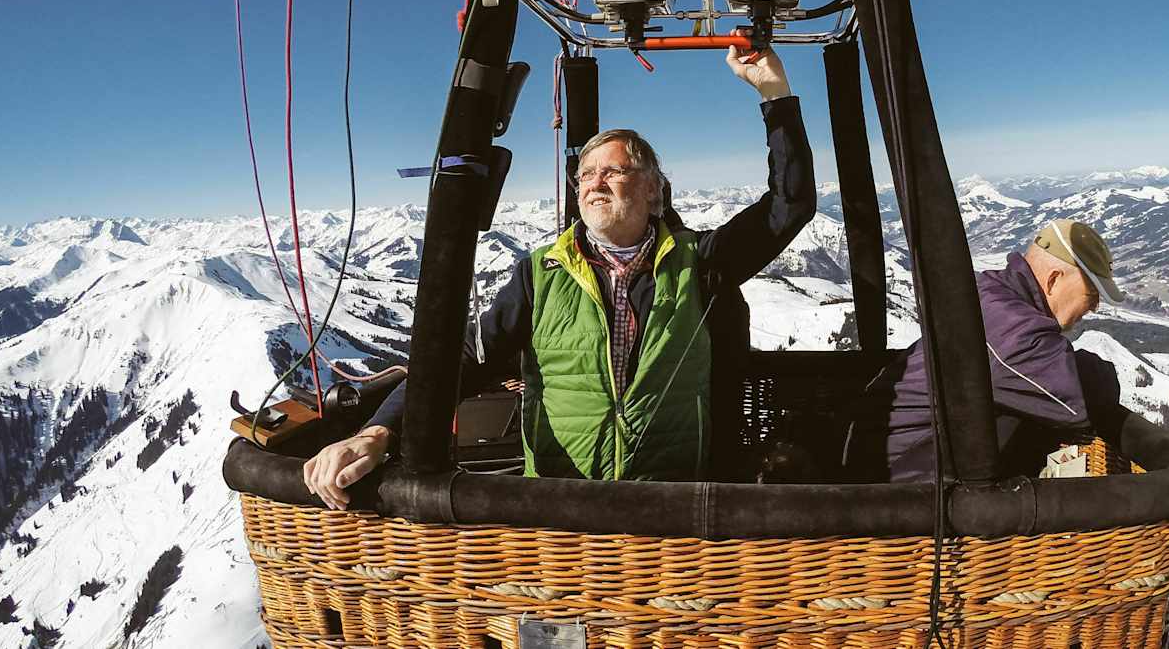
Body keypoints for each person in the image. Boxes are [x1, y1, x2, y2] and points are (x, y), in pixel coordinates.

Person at [304, 47, 815, 509]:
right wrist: (377, 431)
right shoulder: (538, 275)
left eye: (616, 171)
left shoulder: (701, 262)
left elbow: (790, 205)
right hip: (559, 507)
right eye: (587, 174)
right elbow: (459, 360)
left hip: (677, 505)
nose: (596, 182)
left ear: (655, 192)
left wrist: (774, 93)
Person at [847, 219, 1125, 483]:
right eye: (1091, 295)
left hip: (888, 459)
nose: (1095, 308)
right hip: (897, 483)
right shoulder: (1013, 329)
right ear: (1053, 280)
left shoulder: (990, 293)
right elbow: (1084, 397)